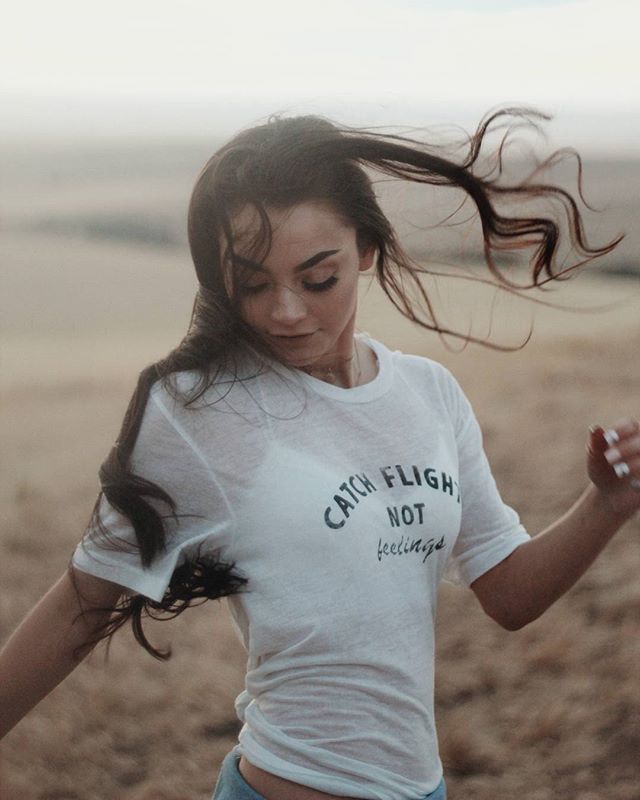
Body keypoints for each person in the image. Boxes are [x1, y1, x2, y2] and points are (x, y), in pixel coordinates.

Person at [1, 107, 638, 800]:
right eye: (251, 284)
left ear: (364, 249)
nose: (285, 312)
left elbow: (510, 594)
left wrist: (605, 505)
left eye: (317, 278)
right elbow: (81, 605)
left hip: (422, 789)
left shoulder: (429, 394)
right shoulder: (201, 411)